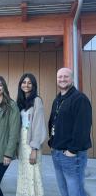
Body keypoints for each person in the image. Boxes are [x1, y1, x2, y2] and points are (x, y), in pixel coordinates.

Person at [48, 67, 92, 196]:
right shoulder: (57, 100)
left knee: (75, 190)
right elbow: (53, 122)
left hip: (72, 155)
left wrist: (72, 150)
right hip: (57, 152)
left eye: (65, 76)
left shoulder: (80, 99)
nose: (62, 79)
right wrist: (52, 143)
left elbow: (83, 127)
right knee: (64, 189)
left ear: (72, 79)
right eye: (59, 77)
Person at [16, 73, 47, 196]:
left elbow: (38, 126)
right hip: (22, 140)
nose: (26, 85)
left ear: (33, 86)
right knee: (24, 171)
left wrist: (34, 148)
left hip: (32, 141)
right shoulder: (21, 102)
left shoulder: (37, 100)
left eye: (29, 83)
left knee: (33, 171)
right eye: (24, 82)